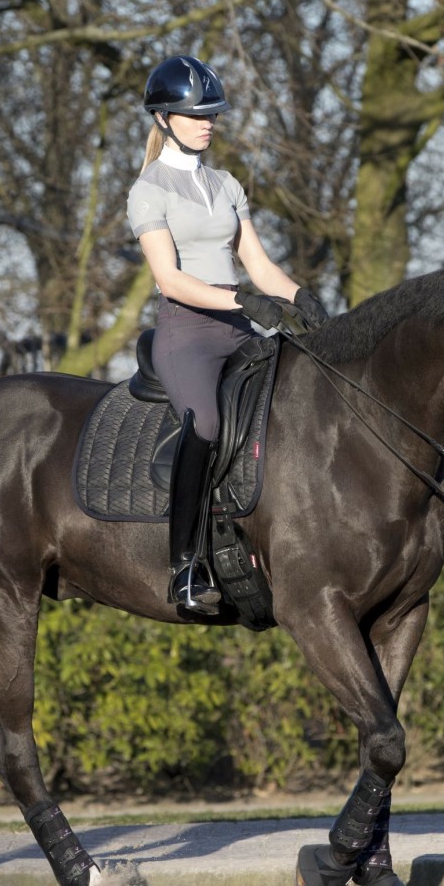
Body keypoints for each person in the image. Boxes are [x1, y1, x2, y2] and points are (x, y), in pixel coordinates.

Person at [127, 54, 328, 616]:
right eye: (196, 114)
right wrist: (240, 297)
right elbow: (169, 279)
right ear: (165, 118)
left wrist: (300, 298)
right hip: (186, 334)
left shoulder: (226, 184)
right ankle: (185, 567)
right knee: (207, 423)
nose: (208, 122)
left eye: (212, 113)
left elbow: (258, 266)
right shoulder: (148, 192)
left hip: (238, 327)